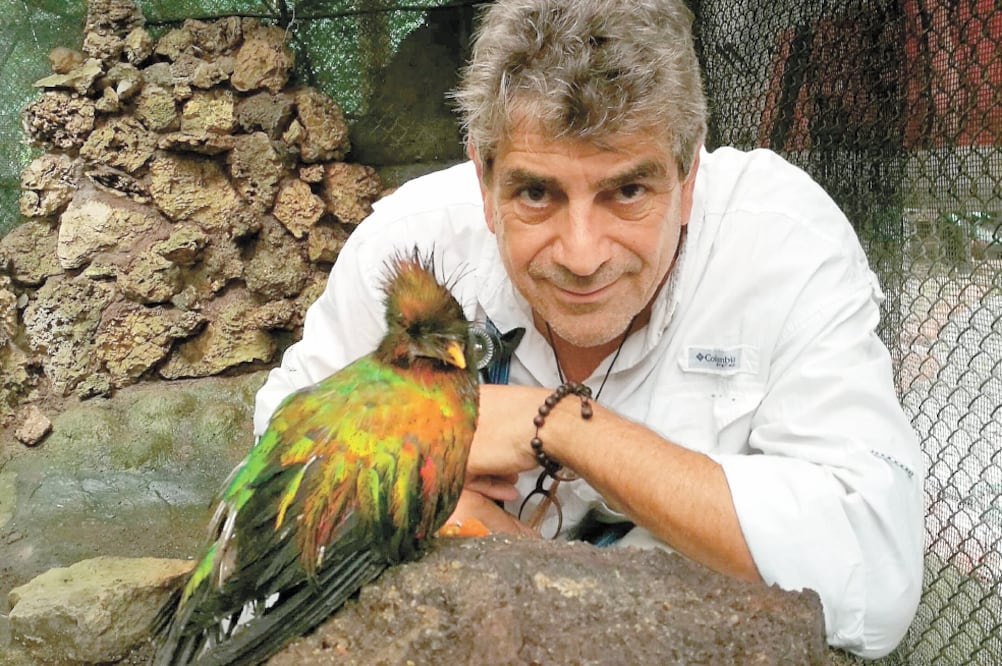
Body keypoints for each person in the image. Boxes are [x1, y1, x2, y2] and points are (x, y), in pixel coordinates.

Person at [254, 0, 923, 658]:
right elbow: (273, 480)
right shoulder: (409, 254)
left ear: (689, 176)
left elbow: (873, 582)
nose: (582, 255)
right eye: (537, 194)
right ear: (483, 181)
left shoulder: (782, 244)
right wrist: (433, 509)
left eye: (627, 192)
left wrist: (562, 425)